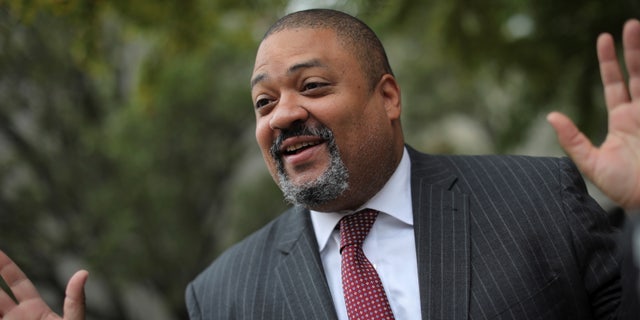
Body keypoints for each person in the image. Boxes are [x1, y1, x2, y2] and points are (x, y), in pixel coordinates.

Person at [1, 8, 639, 320]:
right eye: (263, 101)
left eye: (311, 87)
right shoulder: (222, 295)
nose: (281, 116)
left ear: (387, 97)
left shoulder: (535, 200)